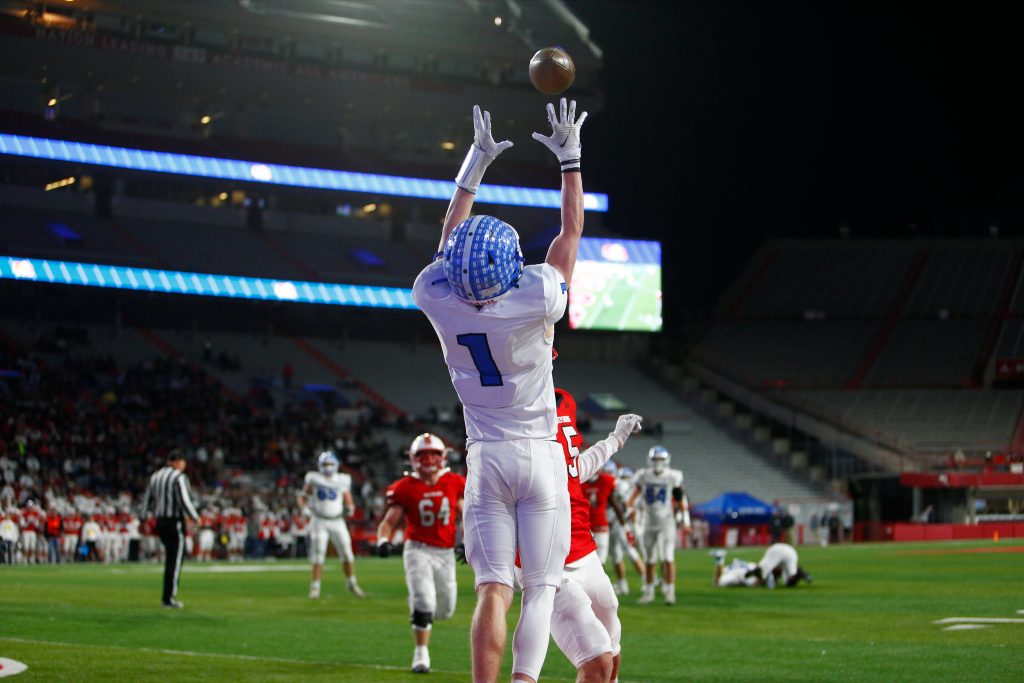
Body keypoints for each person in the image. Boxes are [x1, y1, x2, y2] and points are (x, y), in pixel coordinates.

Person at [412, 97, 587, 683]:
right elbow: (569, 233)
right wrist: (570, 161)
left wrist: (474, 166)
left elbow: (448, 238)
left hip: (484, 456)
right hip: (539, 455)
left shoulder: (434, 294)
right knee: (540, 590)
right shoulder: (535, 295)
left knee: (493, 591)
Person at [526, 388, 641, 683]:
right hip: (547, 560)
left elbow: (574, 469)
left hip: (582, 546)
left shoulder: (562, 399)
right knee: (597, 660)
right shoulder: (512, 406)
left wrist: (616, 439)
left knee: (611, 625)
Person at [376, 433, 466, 674]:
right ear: (412, 458)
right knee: (425, 601)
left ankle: (420, 609)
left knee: (445, 610)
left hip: (445, 553)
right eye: (422, 455)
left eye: (433, 454)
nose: (428, 460)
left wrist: (469, 541)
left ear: (443, 456)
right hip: (418, 550)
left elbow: (466, 515)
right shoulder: (404, 487)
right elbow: (389, 521)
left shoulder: (454, 481)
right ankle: (421, 654)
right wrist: (383, 540)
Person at [298, 450, 365, 599]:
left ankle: (351, 583)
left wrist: (351, 506)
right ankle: (315, 587)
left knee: (347, 553)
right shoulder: (313, 478)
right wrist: (304, 509)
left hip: (337, 520)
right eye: (325, 464)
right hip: (319, 520)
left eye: (330, 464)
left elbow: (347, 496)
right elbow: (302, 497)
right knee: (318, 554)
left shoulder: (342, 480)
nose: (327, 467)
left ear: (336, 465)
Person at [627, 446, 689, 605]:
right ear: (650, 460)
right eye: (655, 459)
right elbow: (634, 496)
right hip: (648, 522)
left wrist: (685, 520)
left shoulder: (672, 476)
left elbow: (681, 499)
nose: (658, 463)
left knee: (668, 556)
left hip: (666, 522)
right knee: (649, 559)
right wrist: (630, 509)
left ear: (666, 460)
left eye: (660, 459)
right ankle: (649, 592)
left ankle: (670, 591)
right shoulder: (643, 475)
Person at [140, 449, 201, 608]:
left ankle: (167, 596)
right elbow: (184, 500)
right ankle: (168, 598)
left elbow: (147, 499)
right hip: (174, 522)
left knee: (170, 559)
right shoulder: (179, 477)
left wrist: (142, 518)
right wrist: (195, 517)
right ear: (178, 462)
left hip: (160, 522)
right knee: (175, 560)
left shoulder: (155, 476)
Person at [608, 467, 645, 595]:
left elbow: (625, 505)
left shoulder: (619, 484)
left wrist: (621, 521)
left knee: (630, 551)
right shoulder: (610, 483)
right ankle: (622, 584)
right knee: (616, 554)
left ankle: (647, 579)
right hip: (612, 522)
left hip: (619, 522)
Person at [710, 543, 813, 588]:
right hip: (789, 551)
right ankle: (796, 574)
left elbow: (717, 580)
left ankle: (720, 559)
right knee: (788, 580)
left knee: (718, 583)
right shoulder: (737, 564)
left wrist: (719, 565)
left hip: (743, 573)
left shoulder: (730, 571)